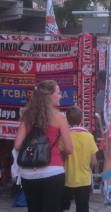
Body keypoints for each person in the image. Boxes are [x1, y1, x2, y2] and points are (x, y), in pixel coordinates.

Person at [14, 80, 73, 212]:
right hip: (53, 170)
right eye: (58, 93)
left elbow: (17, 145)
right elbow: (69, 148)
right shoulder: (60, 117)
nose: (60, 96)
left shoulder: (26, 116)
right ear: (49, 96)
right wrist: (61, 152)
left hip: (28, 173)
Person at [61, 106, 98, 212]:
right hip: (84, 180)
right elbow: (94, 161)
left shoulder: (64, 136)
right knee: (83, 207)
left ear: (66, 120)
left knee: (64, 206)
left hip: (66, 179)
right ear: (82, 119)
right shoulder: (89, 137)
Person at [95, 69, 106, 134]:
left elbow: (97, 112)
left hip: (103, 128)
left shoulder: (101, 95)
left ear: (101, 81)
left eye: (97, 80)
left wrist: (95, 127)